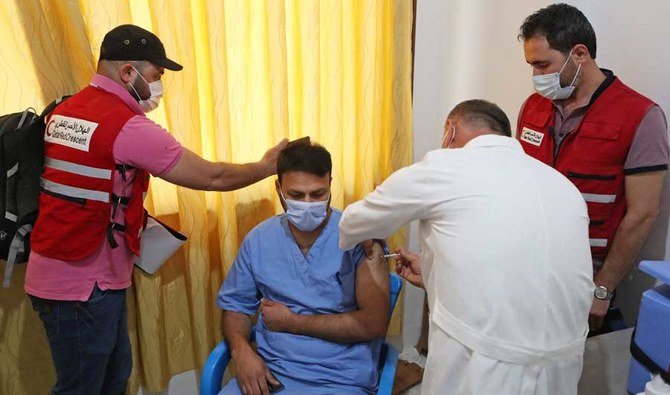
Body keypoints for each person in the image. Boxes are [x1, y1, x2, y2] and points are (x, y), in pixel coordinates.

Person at [25, 24, 288, 394]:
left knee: (112, 378)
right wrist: (265, 167)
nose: (159, 86)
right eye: (156, 75)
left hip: (61, 273)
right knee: (84, 388)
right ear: (128, 72)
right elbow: (212, 177)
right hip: (83, 287)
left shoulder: (66, 110)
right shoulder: (126, 127)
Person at [339, 100, 595, 395]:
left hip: (481, 367)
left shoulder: (443, 166)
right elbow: (520, 266)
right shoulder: (561, 184)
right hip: (562, 368)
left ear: (450, 131)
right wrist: (434, 275)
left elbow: (353, 224)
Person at [516, 4, 669, 332]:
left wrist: (603, 288)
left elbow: (643, 214)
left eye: (543, 64)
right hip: (526, 270)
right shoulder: (533, 108)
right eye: (532, 65)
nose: (537, 76)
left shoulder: (641, 116)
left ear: (579, 54)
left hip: (583, 281)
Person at [217, 141, 389, 395]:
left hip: (339, 379)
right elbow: (236, 306)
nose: (307, 204)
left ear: (331, 183)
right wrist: (241, 351)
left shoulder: (360, 239)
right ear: (278, 189)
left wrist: (293, 323)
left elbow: (373, 324)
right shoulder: (260, 240)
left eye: (317, 194)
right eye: (296, 195)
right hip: (271, 374)